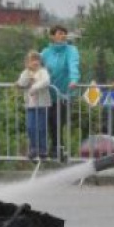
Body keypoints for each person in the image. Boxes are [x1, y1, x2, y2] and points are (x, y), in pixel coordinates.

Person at [41, 25, 80, 159]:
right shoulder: (46, 52)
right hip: (47, 94)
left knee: (57, 121)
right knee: (47, 121)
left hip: (64, 94)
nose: (63, 35)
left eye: (64, 33)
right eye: (59, 33)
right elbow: (35, 66)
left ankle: (58, 148)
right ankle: (50, 149)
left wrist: (74, 79)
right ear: (52, 36)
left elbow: (73, 64)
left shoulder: (71, 50)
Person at [16, 51, 52, 160]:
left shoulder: (43, 72)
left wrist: (34, 87)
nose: (35, 62)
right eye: (32, 60)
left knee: (41, 128)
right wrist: (27, 74)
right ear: (27, 62)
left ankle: (42, 150)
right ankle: (33, 148)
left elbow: (46, 81)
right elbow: (21, 83)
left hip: (42, 104)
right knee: (30, 127)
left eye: (37, 60)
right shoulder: (25, 72)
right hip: (30, 105)